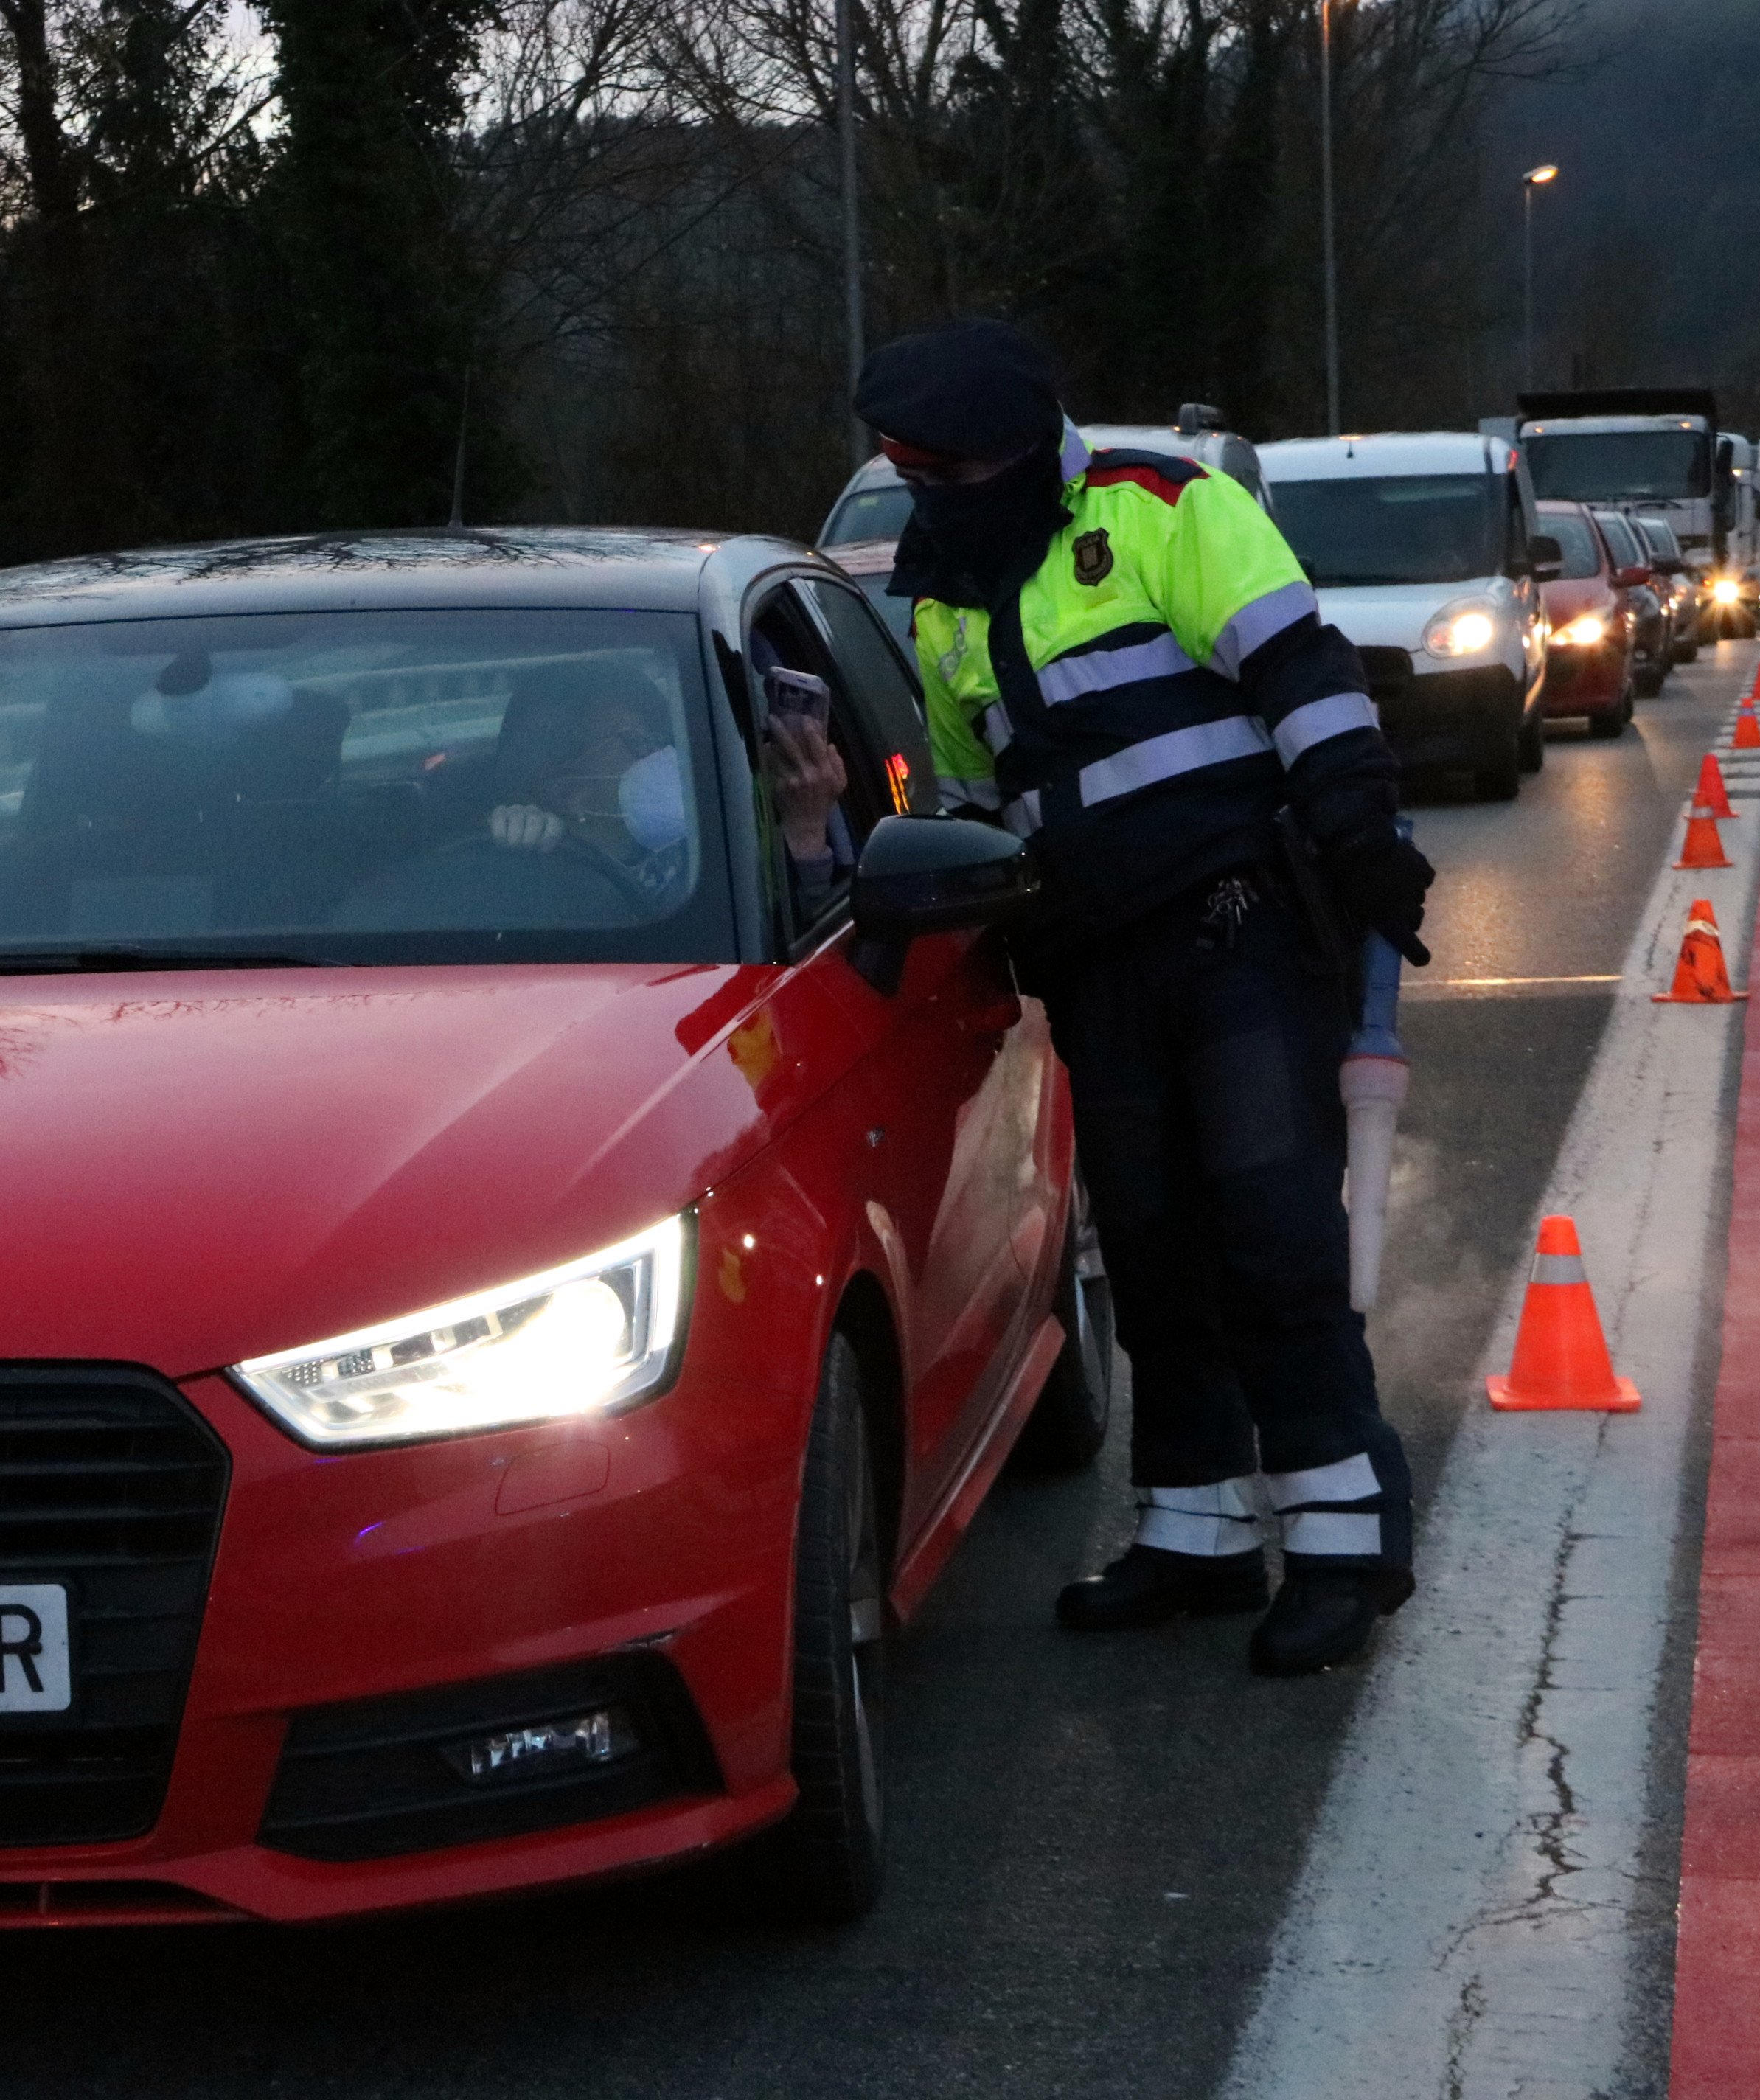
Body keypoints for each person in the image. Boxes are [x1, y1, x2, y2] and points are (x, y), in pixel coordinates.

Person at [853, 316, 1436, 1675]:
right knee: (1155, 1253)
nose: (931, 498)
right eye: (911, 476)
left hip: (1236, 930)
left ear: (1012, 450)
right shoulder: (943, 592)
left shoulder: (1166, 509)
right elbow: (974, 794)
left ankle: (1345, 1543)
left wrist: (1360, 835)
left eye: (946, 473)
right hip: (1098, 959)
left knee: (1272, 1230)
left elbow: (1301, 672)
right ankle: (1198, 1530)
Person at [485, 675, 847, 919]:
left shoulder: (716, 844)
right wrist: (514, 850)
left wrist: (804, 826)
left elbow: (789, 935)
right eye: (638, 744)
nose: (664, 758)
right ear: (571, 793)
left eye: (661, 740)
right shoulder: (541, 883)